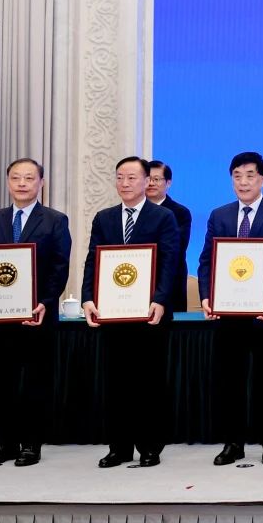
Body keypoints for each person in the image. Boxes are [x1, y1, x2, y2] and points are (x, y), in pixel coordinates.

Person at [198, 151, 263, 466]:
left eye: (250, 175)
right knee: (229, 381)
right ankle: (233, 443)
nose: (243, 182)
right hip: (228, 315)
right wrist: (206, 297)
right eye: (237, 176)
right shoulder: (219, 215)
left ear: (262, 179)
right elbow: (206, 262)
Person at [0, 158, 71, 467]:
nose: (22, 183)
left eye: (29, 178)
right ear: (8, 182)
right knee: (1, 382)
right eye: (16, 178)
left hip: (35, 316)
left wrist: (45, 303)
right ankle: (5, 443)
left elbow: (59, 267)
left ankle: (31, 444)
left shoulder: (55, 220)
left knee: (34, 382)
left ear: (41, 183)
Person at [81, 156, 180, 468]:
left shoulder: (163, 217)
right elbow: (92, 261)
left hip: (150, 314)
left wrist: (160, 300)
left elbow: (170, 262)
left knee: (149, 382)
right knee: (116, 383)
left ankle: (150, 446)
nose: (125, 183)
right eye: (120, 177)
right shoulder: (104, 218)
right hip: (114, 314)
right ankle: (119, 447)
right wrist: (87, 298)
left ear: (147, 181)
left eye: (132, 178)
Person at [147, 160, 192, 313]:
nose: (151, 183)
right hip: (140, 281)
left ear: (168, 183)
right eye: (148, 179)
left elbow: (177, 247)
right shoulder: (134, 211)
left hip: (171, 282)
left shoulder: (180, 212)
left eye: (156, 179)